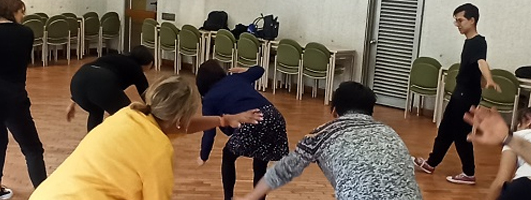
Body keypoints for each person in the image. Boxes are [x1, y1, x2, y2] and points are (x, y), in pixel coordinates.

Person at [29, 76, 264, 200]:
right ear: (181, 117)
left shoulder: (131, 113)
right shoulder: (157, 151)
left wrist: (222, 120)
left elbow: (176, 125)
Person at [236, 82, 423, 200]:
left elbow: (283, 170)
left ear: (334, 111)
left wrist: (252, 196)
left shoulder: (321, 135)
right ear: (370, 111)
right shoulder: (389, 132)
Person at [413, 2, 499, 185]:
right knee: (446, 129)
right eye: (456, 21)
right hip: (462, 93)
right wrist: (484, 82)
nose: (458, 24)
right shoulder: (470, 42)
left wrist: (489, 79)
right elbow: (476, 67)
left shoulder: (477, 42)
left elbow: (481, 62)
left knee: (460, 133)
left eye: (460, 20)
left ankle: (469, 173)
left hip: (466, 96)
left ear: (472, 20)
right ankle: (431, 163)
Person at [0, 0, 45, 198]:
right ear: (14, 11)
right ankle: (45, 192)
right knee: (32, 148)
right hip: (14, 96)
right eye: (22, 11)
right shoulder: (26, 33)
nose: (23, 16)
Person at [194, 60, 290, 200]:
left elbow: (209, 130)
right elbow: (260, 70)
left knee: (228, 155)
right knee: (261, 159)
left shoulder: (209, 99)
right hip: (274, 116)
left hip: (252, 119)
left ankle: (228, 198)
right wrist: (245, 70)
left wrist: (203, 155)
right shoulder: (236, 78)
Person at [65, 46, 155, 131]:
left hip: (77, 82)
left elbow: (88, 77)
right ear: (149, 63)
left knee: (96, 111)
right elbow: (146, 95)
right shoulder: (136, 69)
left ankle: (92, 143)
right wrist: (156, 113)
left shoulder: (114, 57)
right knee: (126, 114)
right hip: (101, 83)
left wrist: (72, 102)